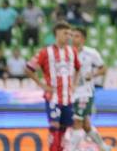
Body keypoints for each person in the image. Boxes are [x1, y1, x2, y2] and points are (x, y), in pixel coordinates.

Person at [26, 22, 80, 151]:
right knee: (54, 126)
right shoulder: (46, 52)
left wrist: (74, 84)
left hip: (68, 98)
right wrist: (42, 85)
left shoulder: (72, 51)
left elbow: (78, 68)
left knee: (64, 127)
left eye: (70, 34)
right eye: (65, 33)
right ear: (56, 34)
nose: (68, 36)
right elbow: (29, 68)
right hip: (53, 97)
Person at [65, 27, 110, 151]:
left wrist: (93, 74)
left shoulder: (91, 53)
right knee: (85, 124)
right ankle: (103, 147)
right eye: (72, 36)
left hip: (85, 92)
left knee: (77, 121)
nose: (74, 38)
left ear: (83, 39)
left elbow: (103, 68)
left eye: (77, 36)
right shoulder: (66, 53)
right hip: (70, 92)